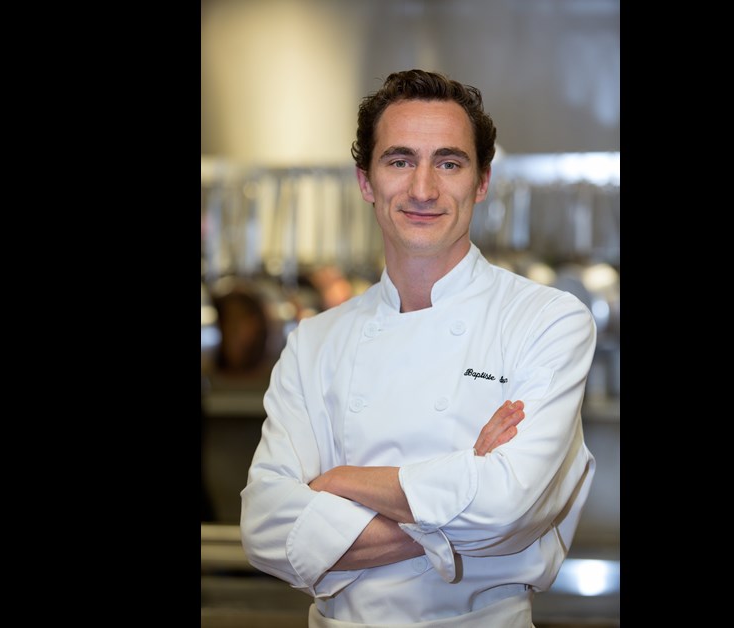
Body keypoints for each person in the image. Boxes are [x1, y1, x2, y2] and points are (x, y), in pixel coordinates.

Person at [240, 69, 597, 627]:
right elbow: (263, 529)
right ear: (366, 181)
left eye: (449, 163)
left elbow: (508, 506)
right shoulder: (314, 342)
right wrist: (463, 491)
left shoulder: (547, 321)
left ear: (481, 182)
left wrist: (337, 482)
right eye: (400, 160)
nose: (424, 189)